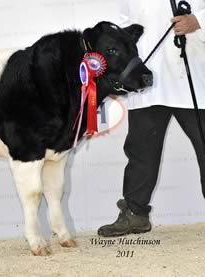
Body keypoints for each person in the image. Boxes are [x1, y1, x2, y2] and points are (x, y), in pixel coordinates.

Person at [98, 0, 205, 237]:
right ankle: (134, 214)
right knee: (140, 151)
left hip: (196, 77)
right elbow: (127, 24)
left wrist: (198, 21)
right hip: (147, 82)